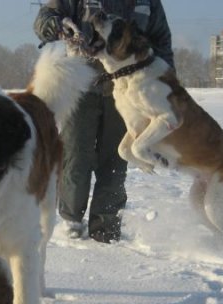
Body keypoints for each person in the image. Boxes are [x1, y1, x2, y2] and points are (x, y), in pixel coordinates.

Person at [34, 0, 174, 243]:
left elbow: (161, 40)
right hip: (81, 86)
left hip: (128, 90)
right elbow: (44, 18)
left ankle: (107, 227)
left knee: (116, 160)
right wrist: (58, 25)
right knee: (76, 157)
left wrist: (169, 82)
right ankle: (71, 223)